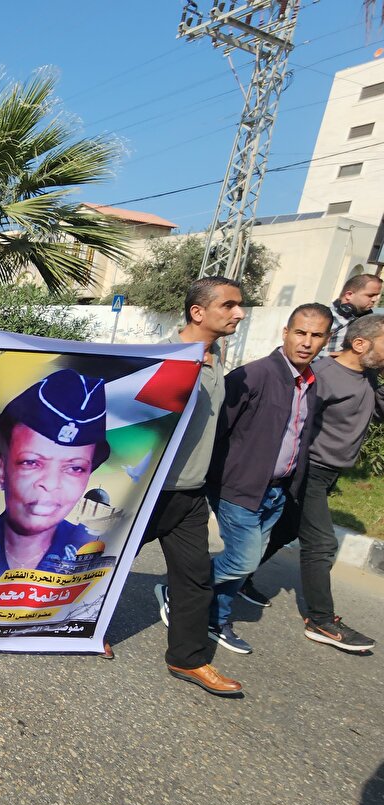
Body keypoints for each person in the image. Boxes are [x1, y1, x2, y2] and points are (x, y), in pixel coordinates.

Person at [244, 313, 384, 653]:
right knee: (321, 543)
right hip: (310, 471)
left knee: (287, 530)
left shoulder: (366, 378)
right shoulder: (322, 375)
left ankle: (237, 578)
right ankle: (321, 620)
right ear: (361, 343)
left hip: (329, 472)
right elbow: (291, 423)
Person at [140, 276, 246, 696]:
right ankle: (78, 629)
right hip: (149, 492)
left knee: (195, 578)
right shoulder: (164, 358)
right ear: (197, 312)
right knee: (96, 565)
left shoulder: (216, 356)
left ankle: (189, 659)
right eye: (229, 306)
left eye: (240, 306)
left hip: (191, 492)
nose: (238, 313)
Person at [206, 302, 332, 654]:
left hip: (276, 491)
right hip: (240, 488)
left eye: (316, 335)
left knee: (245, 563)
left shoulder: (310, 382)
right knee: (243, 560)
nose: (306, 342)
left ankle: (216, 617)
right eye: (300, 333)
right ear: (286, 333)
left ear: (326, 340)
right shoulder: (257, 374)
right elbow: (218, 428)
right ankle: (184, 587)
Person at [0, 368, 108, 583]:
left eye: (75, 468)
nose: (51, 484)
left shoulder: (93, 550)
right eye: (31, 463)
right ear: (2, 471)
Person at [321, 273, 380, 357]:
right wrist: (339, 356)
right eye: (370, 295)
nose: (375, 299)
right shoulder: (325, 318)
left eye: (377, 295)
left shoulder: (362, 319)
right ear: (349, 295)